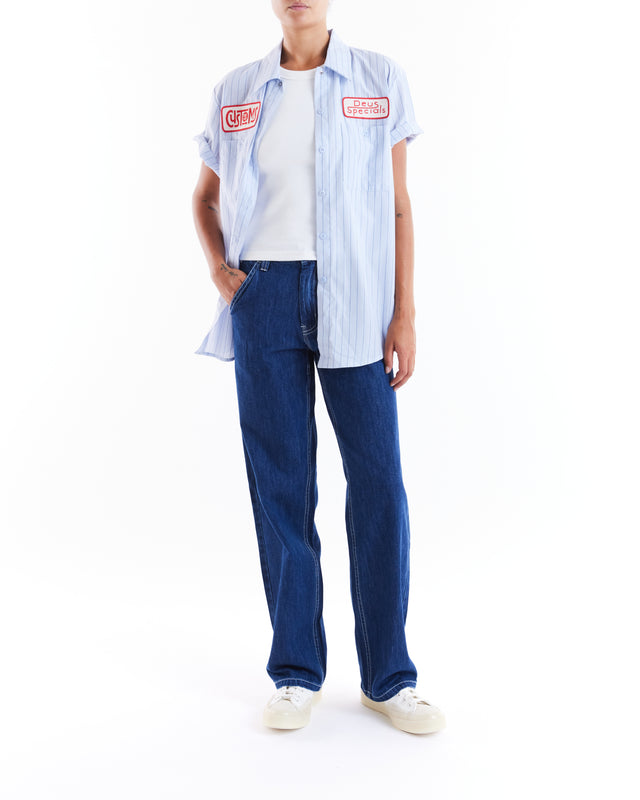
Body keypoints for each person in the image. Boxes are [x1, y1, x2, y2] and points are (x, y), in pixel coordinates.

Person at [191, 0, 445, 735]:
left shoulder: (378, 79)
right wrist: (222, 273)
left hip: (358, 298)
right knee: (281, 487)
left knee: (378, 483)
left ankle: (389, 677)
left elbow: (398, 205)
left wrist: (404, 312)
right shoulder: (237, 89)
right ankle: (296, 671)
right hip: (264, 295)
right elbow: (204, 198)